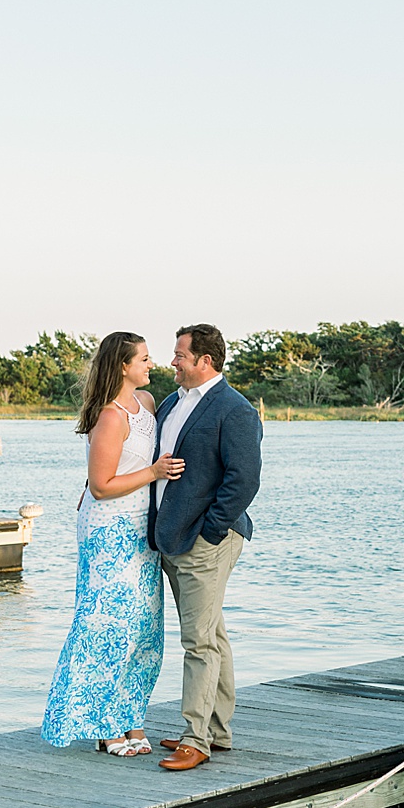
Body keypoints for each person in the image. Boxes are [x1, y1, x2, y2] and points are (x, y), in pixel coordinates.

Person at [42, 333, 186, 755]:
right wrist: (156, 472)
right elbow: (101, 486)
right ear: (123, 366)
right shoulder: (111, 415)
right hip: (109, 530)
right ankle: (103, 726)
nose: (150, 364)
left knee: (144, 628)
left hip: (144, 529)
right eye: (143, 358)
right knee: (108, 627)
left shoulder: (148, 404)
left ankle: (129, 718)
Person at [149, 324, 263, 771]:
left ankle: (195, 740)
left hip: (206, 540)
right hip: (172, 538)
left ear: (205, 362)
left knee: (198, 642)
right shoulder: (172, 403)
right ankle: (217, 732)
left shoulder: (234, 410)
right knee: (211, 635)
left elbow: (244, 480)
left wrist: (210, 531)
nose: (172, 361)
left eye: (180, 355)